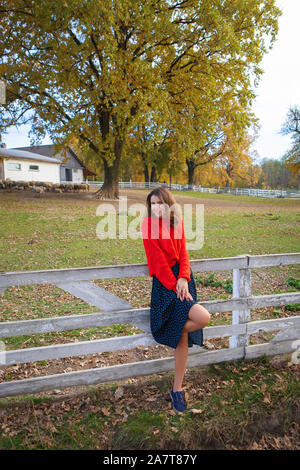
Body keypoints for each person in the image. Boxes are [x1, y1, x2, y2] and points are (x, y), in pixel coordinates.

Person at [141, 186, 211, 413]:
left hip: (183, 281)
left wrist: (183, 278)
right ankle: (177, 390)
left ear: (168, 204)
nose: (156, 208)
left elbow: (184, 254)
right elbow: (158, 262)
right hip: (165, 285)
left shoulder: (176, 223)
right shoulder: (147, 226)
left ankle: (177, 388)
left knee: (197, 321)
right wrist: (175, 285)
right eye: (153, 204)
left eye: (160, 203)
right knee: (198, 319)